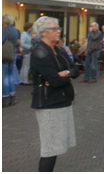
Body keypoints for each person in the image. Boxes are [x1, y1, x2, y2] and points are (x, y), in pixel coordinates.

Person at [30, 16, 79, 172]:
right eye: (55, 28)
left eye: (59, 28)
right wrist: (63, 76)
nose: (59, 31)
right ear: (44, 33)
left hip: (63, 101)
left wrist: (64, 73)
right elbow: (55, 81)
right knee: (50, 150)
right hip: (49, 105)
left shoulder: (60, 49)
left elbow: (76, 70)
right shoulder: (39, 52)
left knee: (56, 148)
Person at [2, 14, 20, 107]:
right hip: (12, 54)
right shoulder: (15, 30)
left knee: (4, 76)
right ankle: (12, 96)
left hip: (4, 54)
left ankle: (4, 97)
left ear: (4, 21)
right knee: (10, 75)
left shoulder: (4, 30)